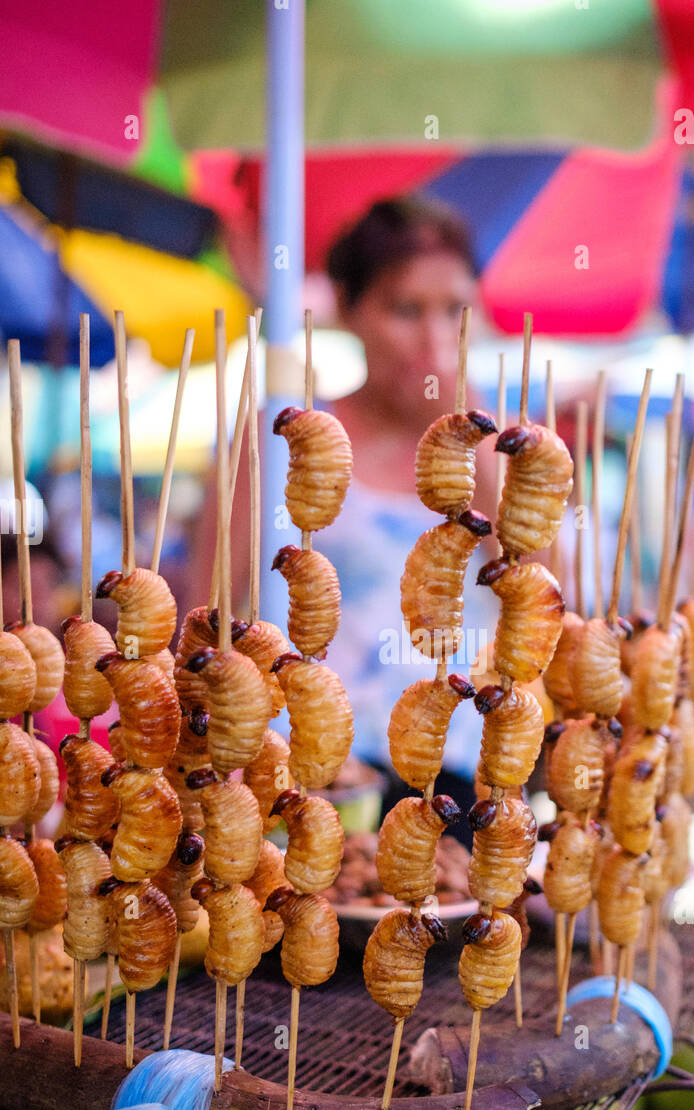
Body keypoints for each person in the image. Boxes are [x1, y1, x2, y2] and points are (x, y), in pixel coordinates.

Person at [198, 197, 501, 825]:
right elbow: (210, 608)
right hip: (306, 772)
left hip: (458, 777)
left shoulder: (500, 447)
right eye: (405, 309)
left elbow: (547, 597)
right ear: (348, 307)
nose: (436, 337)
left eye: (455, 311)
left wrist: (479, 444)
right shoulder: (290, 433)